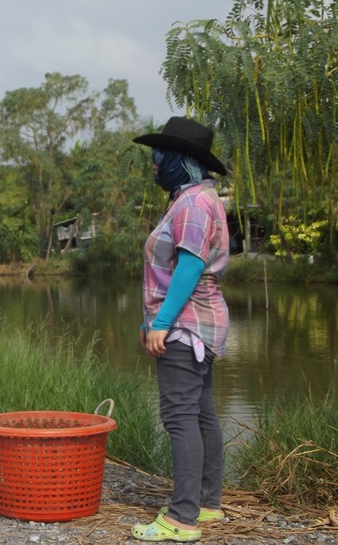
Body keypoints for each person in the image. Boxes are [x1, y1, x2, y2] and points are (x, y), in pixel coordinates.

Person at [130, 117, 230, 542]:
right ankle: (206, 504)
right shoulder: (195, 199)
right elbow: (167, 271)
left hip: (186, 325)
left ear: (180, 160)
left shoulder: (192, 204)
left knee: (179, 417)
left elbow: (189, 265)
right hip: (200, 323)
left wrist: (163, 323)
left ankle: (181, 518)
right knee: (202, 414)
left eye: (158, 157)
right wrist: (148, 320)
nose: (153, 165)